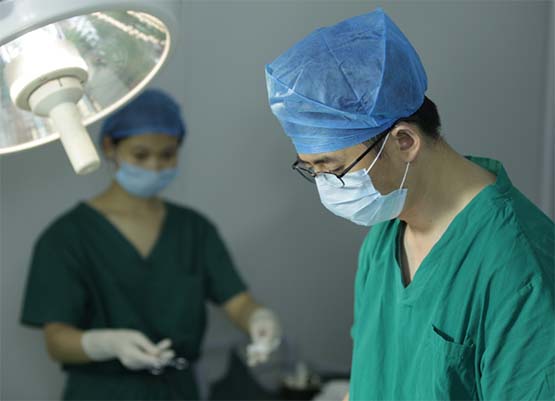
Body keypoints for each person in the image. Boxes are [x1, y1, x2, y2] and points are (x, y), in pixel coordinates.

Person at [265, 8, 554, 401]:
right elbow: (372, 380)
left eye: (332, 169)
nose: (326, 186)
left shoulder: (520, 268)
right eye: (311, 169)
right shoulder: (384, 240)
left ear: (404, 142)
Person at [20, 89, 281, 400]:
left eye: (167, 154)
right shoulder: (66, 237)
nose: (155, 166)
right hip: (101, 392)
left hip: (178, 391)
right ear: (109, 147)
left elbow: (237, 302)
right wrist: (106, 344)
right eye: (141, 155)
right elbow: (56, 340)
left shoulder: (193, 229)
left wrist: (258, 319)